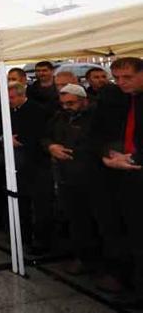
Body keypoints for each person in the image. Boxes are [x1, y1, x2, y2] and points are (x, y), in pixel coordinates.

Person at [93, 57, 143, 303]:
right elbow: (103, 132)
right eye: (118, 78)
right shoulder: (119, 98)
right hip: (123, 175)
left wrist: (133, 159)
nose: (121, 82)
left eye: (128, 77)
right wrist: (108, 155)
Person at [42, 84, 101, 275]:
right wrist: (51, 147)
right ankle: (82, 257)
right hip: (66, 176)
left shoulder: (95, 117)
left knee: (96, 221)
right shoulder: (60, 116)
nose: (67, 106)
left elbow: (97, 144)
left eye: (71, 103)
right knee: (76, 219)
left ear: (84, 100)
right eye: (64, 103)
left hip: (90, 177)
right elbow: (45, 136)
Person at [9, 82, 52, 253]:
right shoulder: (11, 111)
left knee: (40, 204)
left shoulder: (37, 110)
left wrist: (18, 141)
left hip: (36, 163)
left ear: (21, 95)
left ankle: (41, 240)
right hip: (18, 164)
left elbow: (39, 135)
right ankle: (23, 235)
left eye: (12, 98)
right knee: (22, 200)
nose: (9, 101)